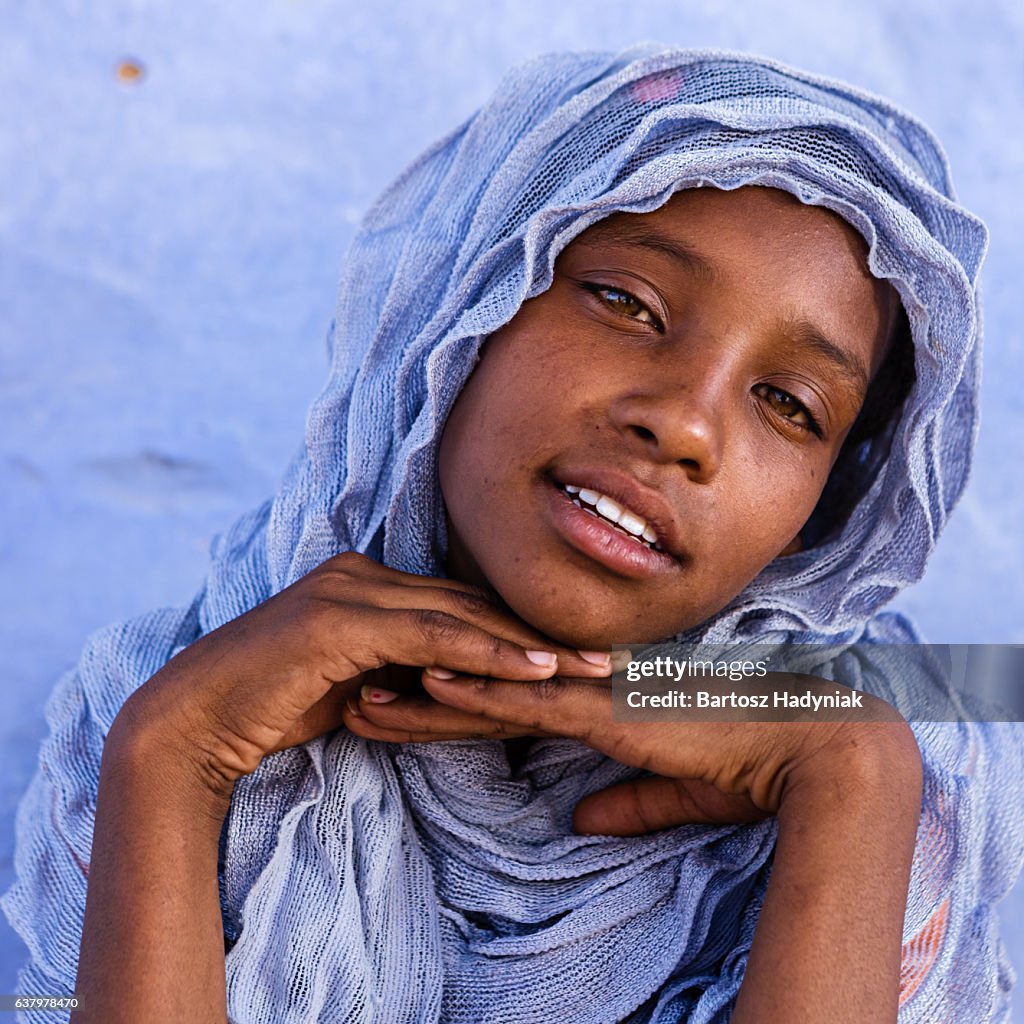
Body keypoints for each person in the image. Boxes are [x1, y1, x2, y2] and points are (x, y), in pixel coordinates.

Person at [4, 47, 1022, 1024]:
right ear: (463, 308)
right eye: (627, 302)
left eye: (788, 402)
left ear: (829, 509)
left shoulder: (895, 760)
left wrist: (849, 776)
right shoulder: (182, 697)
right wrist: (173, 758)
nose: (685, 423)